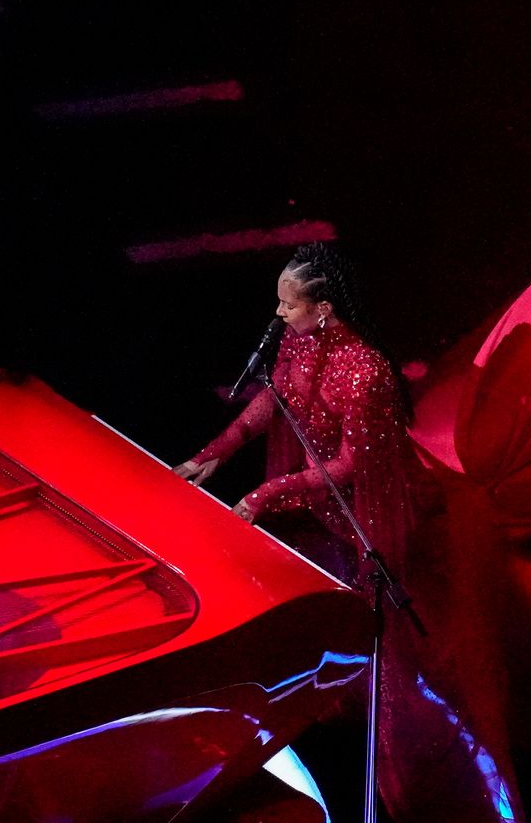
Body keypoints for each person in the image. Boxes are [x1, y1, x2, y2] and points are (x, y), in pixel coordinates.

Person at [177, 242, 419, 588]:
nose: (278, 312)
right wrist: (216, 452)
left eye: (288, 304)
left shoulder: (366, 370)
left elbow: (352, 464)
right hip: (310, 493)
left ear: (323, 308)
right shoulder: (298, 336)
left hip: (361, 516)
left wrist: (265, 493)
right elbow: (274, 398)